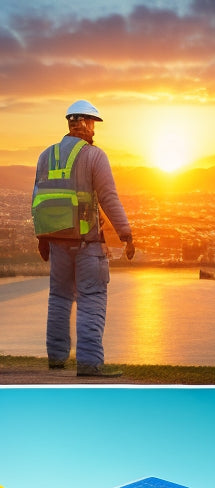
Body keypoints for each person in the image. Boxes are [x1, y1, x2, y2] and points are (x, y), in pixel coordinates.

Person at [33, 99, 134, 377]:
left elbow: (37, 200)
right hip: (87, 243)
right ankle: (90, 364)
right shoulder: (94, 156)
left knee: (59, 296)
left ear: (69, 122)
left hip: (55, 241)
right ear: (88, 124)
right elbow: (109, 198)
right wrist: (126, 234)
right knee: (92, 297)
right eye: (92, 124)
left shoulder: (46, 155)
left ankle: (56, 359)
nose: (93, 130)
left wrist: (42, 238)